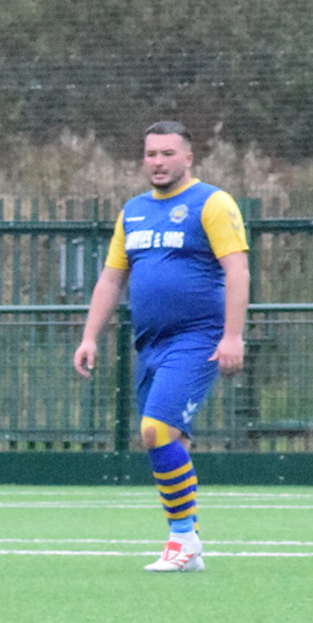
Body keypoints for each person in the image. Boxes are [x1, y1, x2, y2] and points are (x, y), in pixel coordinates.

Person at [72, 120, 250, 571]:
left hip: (198, 339)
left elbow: (237, 270)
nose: (158, 162)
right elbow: (112, 278)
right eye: (151, 154)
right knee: (168, 440)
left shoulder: (211, 202)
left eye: (167, 154)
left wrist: (232, 335)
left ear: (188, 157)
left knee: (154, 429)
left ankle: (183, 539)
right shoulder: (132, 210)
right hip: (149, 343)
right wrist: (90, 335)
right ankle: (187, 544)